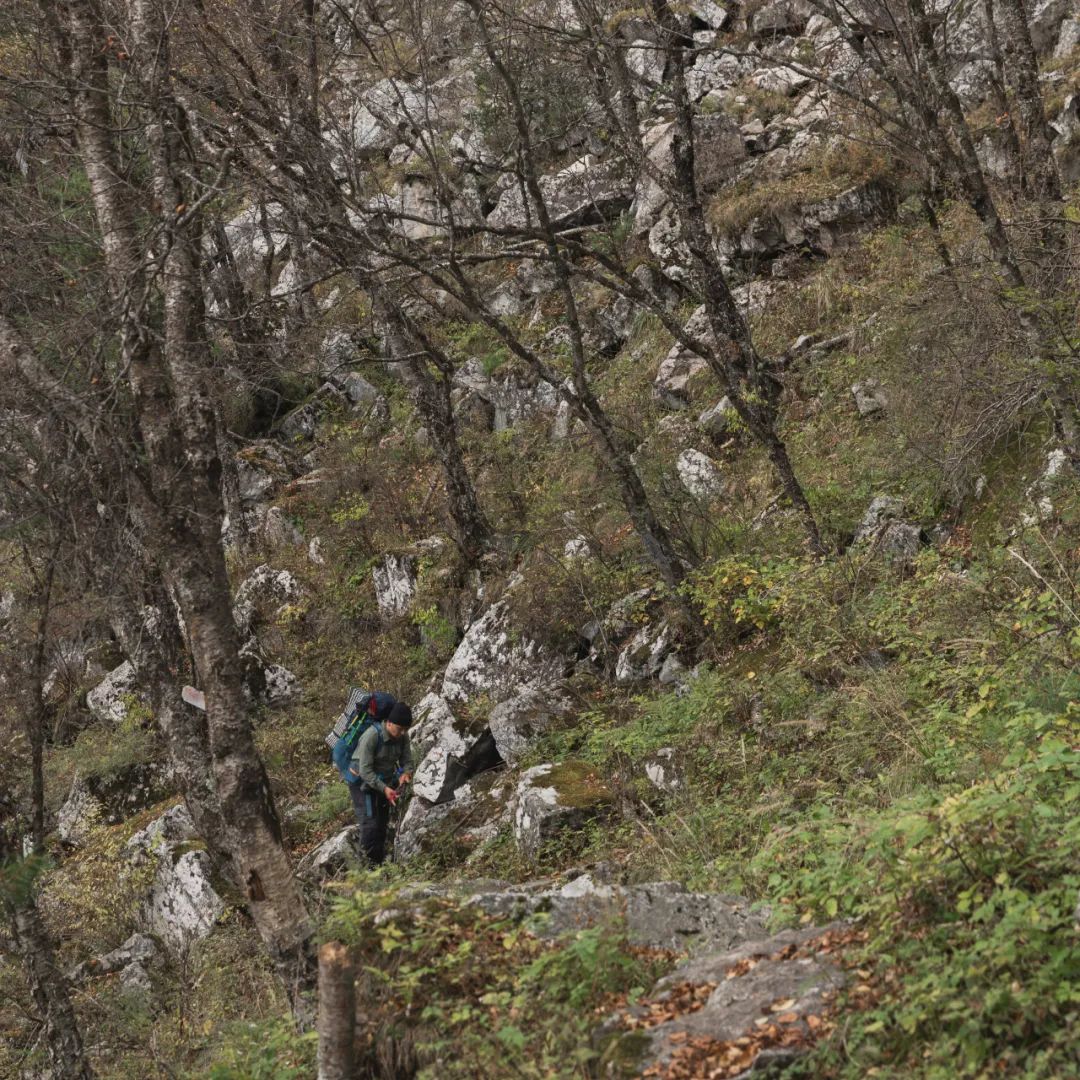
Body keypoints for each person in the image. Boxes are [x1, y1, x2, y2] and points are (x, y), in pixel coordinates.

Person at [348, 700, 414, 866]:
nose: (402, 733)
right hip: (361, 782)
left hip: (384, 782)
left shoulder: (403, 736)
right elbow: (365, 771)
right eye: (399, 729)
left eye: (405, 729)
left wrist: (406, 773)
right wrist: (384, 789)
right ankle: (368, 870)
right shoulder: (372, 736)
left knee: (382, 823)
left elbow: (407, 759)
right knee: (370, 824)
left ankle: (379, 862)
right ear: (389, 723)